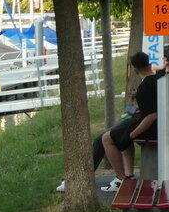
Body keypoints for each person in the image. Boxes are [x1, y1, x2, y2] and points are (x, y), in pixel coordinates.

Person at [55, 51, 161, 193]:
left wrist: (133, 134)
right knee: (114, 133)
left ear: (135, 71)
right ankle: (127, 175)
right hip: (157, 124)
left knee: (106, 138)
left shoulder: (143, 88)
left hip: (153, 128)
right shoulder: (159, 80)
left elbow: (152, 115)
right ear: (150, 64)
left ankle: (120, 180)